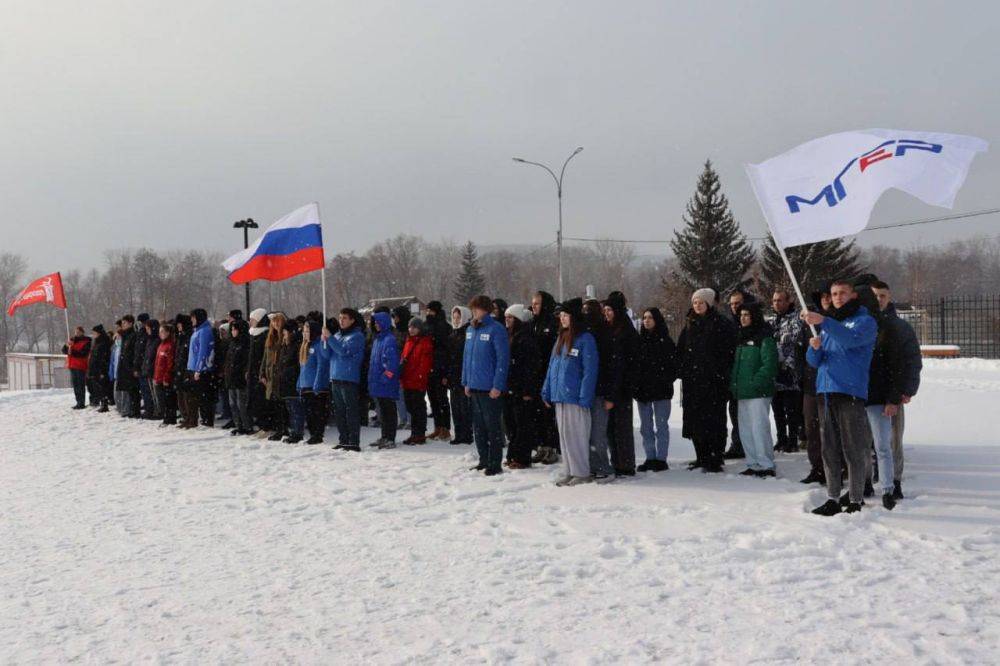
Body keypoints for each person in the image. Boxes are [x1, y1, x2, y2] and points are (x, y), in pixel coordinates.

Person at [803, 279, 878, 516]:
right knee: (829, 448)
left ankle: (856, 499)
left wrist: (825, 321)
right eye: (834, 294)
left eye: (842, 293)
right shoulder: (830, 325)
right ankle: (833, 497)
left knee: (853, 449)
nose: (837, 297)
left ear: (853, 295)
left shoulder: (865, 321)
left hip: (850, 392)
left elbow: (851, 339)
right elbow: (815, 362)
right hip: (826, 391)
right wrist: (813, 348)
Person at [677, 288, 737, 473]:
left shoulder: (721, 324)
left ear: (709, 303)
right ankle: (701, 456)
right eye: (695, 302)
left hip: (713, 383)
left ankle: (715, 457)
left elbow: (728, 352)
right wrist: (683, 368)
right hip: (693, 382)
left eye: (701, 302)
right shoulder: (689, 324)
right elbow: (681, 350)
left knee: (714, 421)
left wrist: (718, 372)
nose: (697, 306)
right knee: (695, 421)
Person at [871, 280, 921, 500]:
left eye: (882, 295)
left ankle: (895, 480)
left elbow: (912, 360)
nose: (879, 300)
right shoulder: (864, 323)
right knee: (869, 441)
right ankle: (872, 477)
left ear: (889, 297)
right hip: (867, 393)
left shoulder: (901, 327)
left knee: (892, 440)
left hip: (893, 392)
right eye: (874, 296)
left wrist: (907, 389)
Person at [541, 298, 599, 486]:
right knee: (565, 435)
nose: (563, 319)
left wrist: (584, 395)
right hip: (560, 396)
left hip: (576, 397)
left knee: (577, 436)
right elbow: (552, 366)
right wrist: (546, 389)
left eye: (566, 316)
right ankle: (569, 470)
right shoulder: (561, 338)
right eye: (561, 316)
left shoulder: (585, 339)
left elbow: (590, 370)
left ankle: (581, 472)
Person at [462, 295, 510, 476]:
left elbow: (502, 360)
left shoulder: (496, 329)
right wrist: (465, 381)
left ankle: (495, 462)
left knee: (492, 426)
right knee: (478, 427)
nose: (474, 312)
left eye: (477, 309)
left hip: (489, 388)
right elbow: (466, 357)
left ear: (486, 310)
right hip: (473, 386)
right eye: (472, 309)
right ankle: (483, 459)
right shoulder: (470, 330)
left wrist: (497, 385)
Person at [730, 303, 778, 477]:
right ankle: (753, 463)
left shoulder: (764, 337)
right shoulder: (739, 337)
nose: (742, 318)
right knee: (746, 429)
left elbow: (770, 365)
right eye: (741, 315)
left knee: (759, 428)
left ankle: (766, 464)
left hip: (758, 392)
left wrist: (755, 382)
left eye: (747, 315)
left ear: (754, 316)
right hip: (741, 391)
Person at [634, 307, 676, 472]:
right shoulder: (639, 341)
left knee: (661, 425)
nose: (647, 320)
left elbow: (673, 366)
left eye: (650, 317)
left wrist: (663, 380)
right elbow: (635, 366)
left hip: (661, 391)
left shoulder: (666, 341)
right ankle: (650, 456)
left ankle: (661, 458)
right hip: (643, 391)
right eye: (644, 317)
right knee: (645, 427)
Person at [603, 291, 640, 477]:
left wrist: (614, 393)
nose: (607, 313)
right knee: (613, 429)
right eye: (605, 310)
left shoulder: (624, 331)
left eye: (610, 309)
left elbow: (621, 366)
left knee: (621, 429)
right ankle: (618, 461)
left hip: (621, 389)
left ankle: (625, 464)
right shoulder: (612, 329)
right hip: (615, 386)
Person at [503, 304, 543, 469]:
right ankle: (512, 455)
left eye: (511, 317)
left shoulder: (526, 338)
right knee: (511, 425)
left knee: (522, 425)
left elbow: (531, 367)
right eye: (506, 317)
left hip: (522, 389)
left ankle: (522, 458)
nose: (507, 320)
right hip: (511, 387)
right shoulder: (510, 336)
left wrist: (528, 390)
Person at [322, 308, 366, 451]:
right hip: (335, 377)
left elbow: (343, 351)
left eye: (345, 318)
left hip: (348, 378)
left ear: (352, 320)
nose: (341, 320)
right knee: (339, 412)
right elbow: (327, 355)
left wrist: (330, 338)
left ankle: (353, 441)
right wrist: (324, 342)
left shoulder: (357, 336)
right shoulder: (337, 335)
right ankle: (343, 440)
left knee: (350, 411)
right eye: (340, 317)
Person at [800, 284, 831, 485]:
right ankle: (817, 467)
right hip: (812, 385)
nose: (827, 299)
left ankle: (837, 469)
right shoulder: (810, 324)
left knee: (831, 430)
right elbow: (803, 351)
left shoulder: (840, 320)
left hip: (832, 385)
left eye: (830, 296)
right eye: (824, 296)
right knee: (812, 430)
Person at [582, 300, 615, 482]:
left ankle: (604, 466)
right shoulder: (585, 333)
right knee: (588, 433)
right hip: (588, 390)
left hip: (601, 390)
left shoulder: (605, 333)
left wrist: (610, 395)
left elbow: (612, 367)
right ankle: (593, 465)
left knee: (597, 433)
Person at [770, 290, 806, 453]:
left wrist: (789, 365)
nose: (777, 303)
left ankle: (793, 439)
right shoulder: (772, 321)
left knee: (792, 410)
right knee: (777, 410)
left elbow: (795, 343)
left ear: (788, 301)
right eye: (774, 300)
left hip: (791, 373)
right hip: (775, 373)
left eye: (780, 300)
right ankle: (781, 438)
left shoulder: (796, 319)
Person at [530, 290, 561, 465]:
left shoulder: (552, 323)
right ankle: (541, 445)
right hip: (534, 375)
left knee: (548, 413)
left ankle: (551, 447)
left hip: (547, 374)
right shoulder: (533, 323)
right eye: (532, 303)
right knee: (537, 414)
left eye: (537, 304)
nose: (533, 306)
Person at [368, 311, 401, 448]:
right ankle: (384, 436)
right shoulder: (377, 340)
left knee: (389, 411)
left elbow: (392, 363)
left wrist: (385, 378)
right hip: (378, 383)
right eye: (374, 322)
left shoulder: (389, 340)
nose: (376, 325)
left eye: (378, 322)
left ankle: (390, 438)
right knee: (382, 412)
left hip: (386, 383)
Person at [723, 290, 750, 459]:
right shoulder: (728, 325)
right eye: (732, 304)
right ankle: (737, 444)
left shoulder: (754, 324)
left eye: (737, 303)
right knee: (734, 412)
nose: (734, 307)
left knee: (749, 415)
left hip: (748, 377)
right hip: (732, 375)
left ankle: (749, 445)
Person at [401, 317, 434, 445]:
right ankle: (414, 433)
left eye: (414, 327)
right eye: (410, 327)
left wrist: (420, 376)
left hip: (417, 380)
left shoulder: (425, 342)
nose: (411, 329)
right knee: (411, 408)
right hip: (407, 379)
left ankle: (419, 434)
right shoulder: (408, 341)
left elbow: (425, 363)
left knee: (418, 408)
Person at [424, 301, 453, 441]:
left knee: (442, 399)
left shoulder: (444, 327)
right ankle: (437, 426)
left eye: (430, 311)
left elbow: (448, 351)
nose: (428, 314)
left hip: (440, 368)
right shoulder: (427, 326)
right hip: (429, 367)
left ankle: (446, 428)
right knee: (432, 399)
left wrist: (446, 372)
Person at [298, 319, 329, 445]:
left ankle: (318, 434)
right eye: (304, 331)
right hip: (305, 384)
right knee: (309, 412)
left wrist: (317, 382)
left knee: (317, 412)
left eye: (308, 331)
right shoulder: (305, 346)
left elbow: (322, 365)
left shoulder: (318, 345)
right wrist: (299, 382)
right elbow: (302, 367)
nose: (305, 333)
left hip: (316, 386)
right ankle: (312, 433)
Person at [447, 306, 473, 445]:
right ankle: (458, 433)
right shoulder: (452, 334)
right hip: (453, 376)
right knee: (455, 407)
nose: (456, 320)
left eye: (459, 318)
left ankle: (467, 434)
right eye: (455, 318)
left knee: (465, 407)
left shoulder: (468, 333)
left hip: (463, 375)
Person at [186, 308, 215, 428]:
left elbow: (203, 351)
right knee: (196, 396)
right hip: (193, 367)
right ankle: (201, 419)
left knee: (204, 397)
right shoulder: (197, 330)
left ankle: (207, 420)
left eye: (193, 317)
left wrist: (199, 369)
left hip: (202, 370)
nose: (191, 320)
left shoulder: (205, 331)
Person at [260, 313, 287, 440]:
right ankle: (278, 428)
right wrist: (262, 373)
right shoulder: (271, 337)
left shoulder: (285, 337)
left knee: (281, 404)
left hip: (279, 376)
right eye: (274, 321)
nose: (276, 324)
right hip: (270, 376)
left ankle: (283, 429)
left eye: (278, 321)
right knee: (273, 403)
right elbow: (265, 358)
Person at [278, 321, 305, 443]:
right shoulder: (286, 346)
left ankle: (297, 432)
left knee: (295, 409)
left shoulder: (296, 346)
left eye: (285, 333)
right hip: (286, 381)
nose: (284, 336)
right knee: (290, 408)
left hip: (293, 381)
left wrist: (288, 371)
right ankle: (293, 431)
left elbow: (296, 364)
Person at [224, 319, 252, 435]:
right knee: (232, 403)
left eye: (235, 329)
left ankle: (246, 425)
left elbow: (245, 361)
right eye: (232, 329)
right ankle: (238, 425)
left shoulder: (245, 343)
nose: (233, 331)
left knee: (241, 404)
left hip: (240, 378)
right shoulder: (232, 343)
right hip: (232, 377)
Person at [246, 309, 271, 432]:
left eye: (253, 320)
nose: (251, 322)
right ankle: (259, 423)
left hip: (260, 372)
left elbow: (264, 356)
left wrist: (262, 372)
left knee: (262, 400)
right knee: (254, 400)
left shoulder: (265, 334)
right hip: (253, 371)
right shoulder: (252, 334)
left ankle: (265, 425)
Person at [391, 306, 412, 429]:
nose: (395, 320)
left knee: (406, 394)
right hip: (395, 364)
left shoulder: (408, 331)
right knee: (398, 395)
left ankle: (409, 419)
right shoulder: (394, 331)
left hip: (406, 365)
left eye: (397, 317)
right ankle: (402, 418)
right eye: (394, 317)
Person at [62, 326, 91, 409]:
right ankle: (78, 401)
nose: (77, 334)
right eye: (76, 332)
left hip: (80, 365)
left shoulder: (86, 341)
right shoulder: (72, 341)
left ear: (82, 332)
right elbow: (64, 350)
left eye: (78, 332)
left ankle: (81, 402)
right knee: (75, 385)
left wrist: (72, 352)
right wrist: (67, 346)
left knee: (80, 385)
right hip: (72, 365)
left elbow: (83, 353)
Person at [174, 315, 195, 428]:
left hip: (186, 369)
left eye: (180, 324)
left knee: (188, 396)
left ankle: (191, 418)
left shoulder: (189, 336)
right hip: (180, 368)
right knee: (181, 395)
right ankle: (186, 417)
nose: (178, 326)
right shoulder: (181, 337)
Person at [154, 323, 177, 426]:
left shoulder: (170, 345)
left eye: (163, 332)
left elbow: (170, 363)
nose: (161, 334)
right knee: (161, 399)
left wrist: (166, 377)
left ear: (168, 333)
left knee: (168, 400)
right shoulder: (161, 345)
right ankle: (165, 417)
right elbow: (157, 363)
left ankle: (170, 419)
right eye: (160, 332)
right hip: (158, 377)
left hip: (166, 378)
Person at [116, 315, 139, 418]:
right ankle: (129, 409)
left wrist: (134, 366)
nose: (123, 325)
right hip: (124, 366)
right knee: (127, 389)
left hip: (130, 367)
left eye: (124, 323)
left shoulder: (133, 335)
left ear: (130, 323)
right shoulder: (125, 336)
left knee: (133, 390)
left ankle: (134, 410)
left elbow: (135, 352)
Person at [87, 324, 112, 412]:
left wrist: (101, 370)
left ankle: (104, 403)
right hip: (95, 368)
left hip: (101, 369)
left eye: (94, 333)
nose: (93, 334)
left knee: (102, 386)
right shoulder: (96, 342)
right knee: (97, 387)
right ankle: (102, 402)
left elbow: (103, 358)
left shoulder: (103, 343)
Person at [140, 318, 161, 419]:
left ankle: (158, 411)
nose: (147, 330)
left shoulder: (157, 340)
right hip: (148, 370)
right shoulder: (150, 340)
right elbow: (147, 356)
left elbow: (154, 357)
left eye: (148, 328)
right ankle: (153, 411)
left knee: (155, 393)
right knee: (151, 393)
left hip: (154, 371)